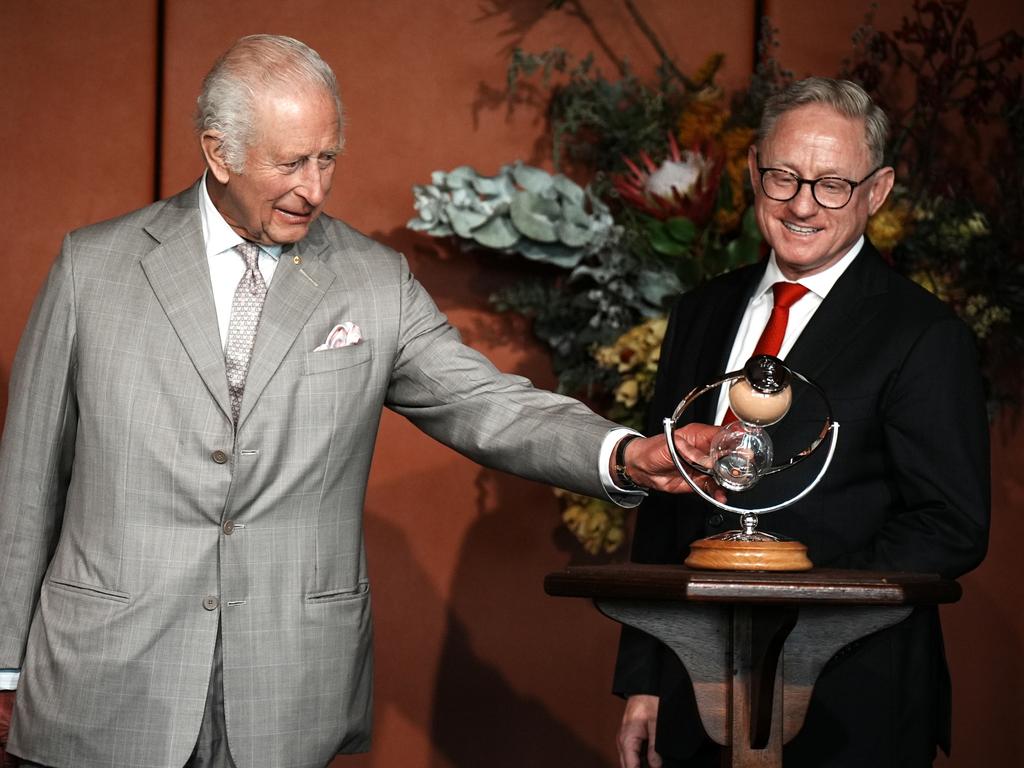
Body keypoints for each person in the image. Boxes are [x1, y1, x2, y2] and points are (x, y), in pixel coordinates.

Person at [0, 35, 719, 768]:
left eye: (328, 158)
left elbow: (482, 401)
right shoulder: (93, 268)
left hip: (282, 694)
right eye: (290, 164)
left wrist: (622, 453)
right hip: (104, 683)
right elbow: (26, 481)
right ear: (218, 154)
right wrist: (1, 663)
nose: (314, 188)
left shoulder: (374, 282)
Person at [613, 77, 990, 768]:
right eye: (784, 176)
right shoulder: (701, 311)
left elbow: (950, 523)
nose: (802, 204)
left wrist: (800, 607)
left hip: (853, 697)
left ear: (877, 191)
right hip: (699, 685)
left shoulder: (923, 335)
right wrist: (645, 681)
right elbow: (669, 500)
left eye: (832, 184)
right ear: (754, 170)